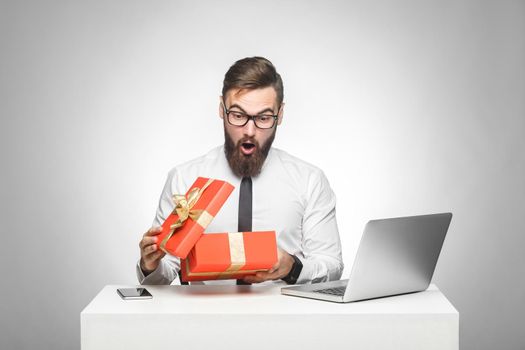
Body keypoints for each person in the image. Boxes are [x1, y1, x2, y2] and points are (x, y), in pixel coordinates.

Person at [137, 56, 343, 285]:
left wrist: (293, 267)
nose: (249, 130)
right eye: (238, 115)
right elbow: (165, 275)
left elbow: (331, 265)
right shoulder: (184, 179)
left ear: (280, 114)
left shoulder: (309, 180)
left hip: (283, 316)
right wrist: (150, 265)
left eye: (264, 118)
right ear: (221, 110)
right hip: (204, 316)